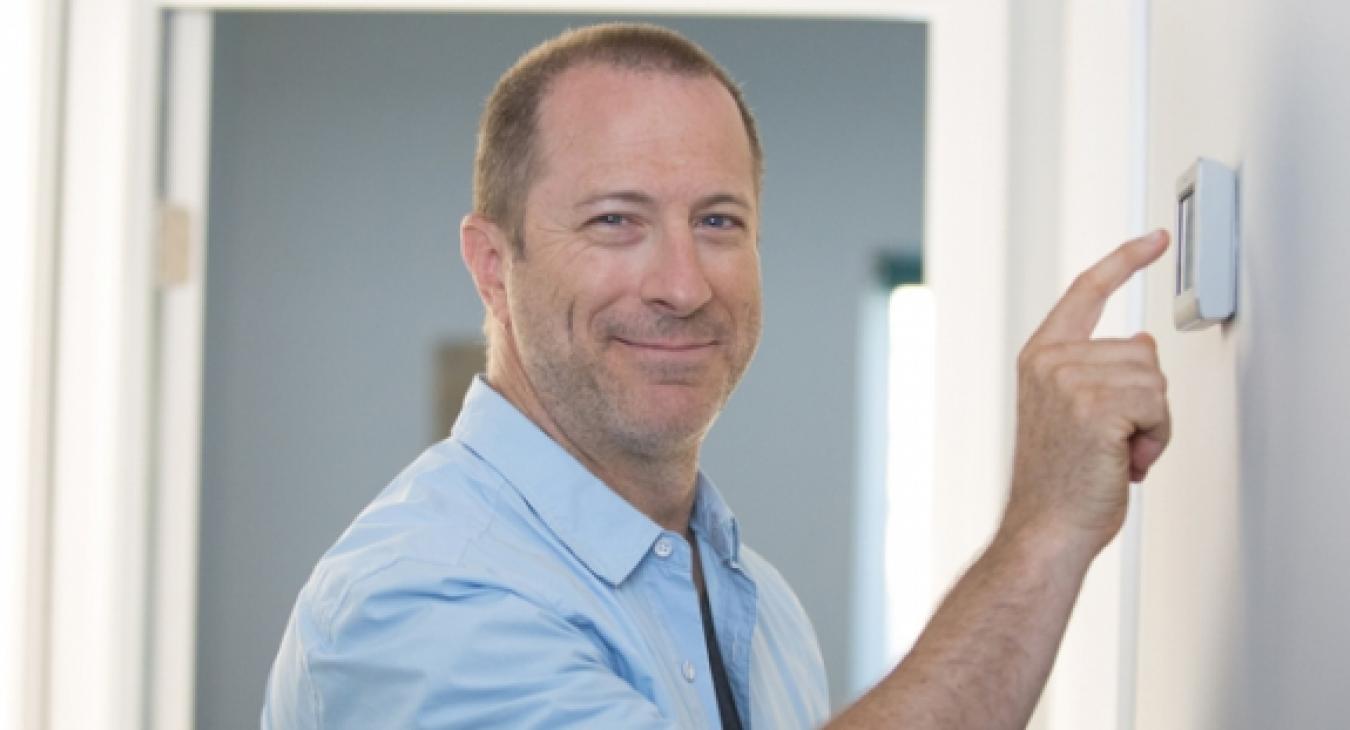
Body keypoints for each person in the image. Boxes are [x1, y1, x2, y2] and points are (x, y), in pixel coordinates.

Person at [263, 22, 1171, 729]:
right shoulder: (420, 604)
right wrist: (1043, 530)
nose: (684, 286)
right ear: (494, 265)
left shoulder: (758, 605)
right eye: (617, 221)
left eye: (720, 222)